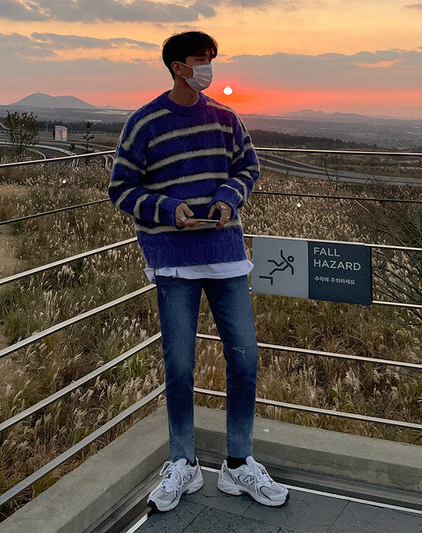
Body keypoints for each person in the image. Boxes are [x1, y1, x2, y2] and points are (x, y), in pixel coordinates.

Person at [109, 30, 289, 512]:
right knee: (180, 367)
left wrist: (228, 199)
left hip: (226, 255)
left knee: (245, 359)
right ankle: (183, 463)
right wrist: (170, 210)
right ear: (177, 66)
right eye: (199, 59)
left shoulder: (226, 118)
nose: (208, 67)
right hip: (172, 261)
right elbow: (121, 188)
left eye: (211, 58)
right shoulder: (144, 123)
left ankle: (239, 464)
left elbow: (248, 168)